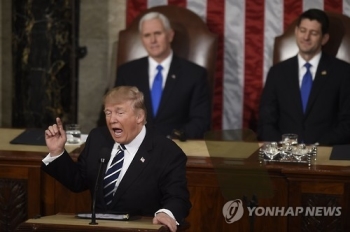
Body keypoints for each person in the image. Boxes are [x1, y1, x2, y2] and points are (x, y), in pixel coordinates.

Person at [42, 86, 191, 232]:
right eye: (108, 113)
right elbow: (78, 181)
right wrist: (57, 152)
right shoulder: (98, 138)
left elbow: (178, 197)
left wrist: (166, 213)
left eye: (119, 112)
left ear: (139, 117)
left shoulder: (166, 151)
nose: (112, 119)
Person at [258, 9, 350, 145]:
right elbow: (266, 121)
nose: (306, 37)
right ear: (296, 32)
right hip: (284, 155)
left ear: (324, 38)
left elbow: (347, 122)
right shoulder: (277, 72)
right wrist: (284, 146)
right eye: (302, 30)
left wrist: (318, 147)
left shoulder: (342, 72)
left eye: (313, 33)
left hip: (325, 154)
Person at [114, 11, 211, 140]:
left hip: (176, 148)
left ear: (170, 35)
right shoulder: (127, 72)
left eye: (157, 33)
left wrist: (173, 138)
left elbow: (200, 121)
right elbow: (115, 113)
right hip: (133, 146)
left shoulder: (194, 74)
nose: (152, 40)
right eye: (147, 35)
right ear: (142, 40)